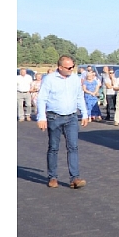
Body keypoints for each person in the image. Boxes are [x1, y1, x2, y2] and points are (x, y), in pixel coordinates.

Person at [37, 56, 90, 189]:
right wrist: (41, 117)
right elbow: (42, 98)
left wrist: (84, 113)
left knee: (73, 147)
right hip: (54, 117)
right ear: (60, 67)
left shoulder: (75, 79)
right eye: (68, 68)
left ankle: (75, 178)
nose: (71, 70)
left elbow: (79, 96)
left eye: (73, 67)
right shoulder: (49, 79)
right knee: (54, 147)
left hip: (71, 117)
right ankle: (53, 177)